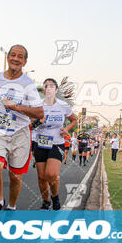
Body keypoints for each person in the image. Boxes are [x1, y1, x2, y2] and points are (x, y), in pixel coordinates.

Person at [0, 45, 44, 210]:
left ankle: (11, 206)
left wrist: (16, 107)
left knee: (15, 176)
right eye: (13, 55)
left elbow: (39, 112)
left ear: (24, 62)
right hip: (0, 130)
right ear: (8, 57)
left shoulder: (28, 84)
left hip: (20, 132)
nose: (16, 59)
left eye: (20, 57)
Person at [32, 78, 77, 210]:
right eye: (46, 86)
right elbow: (31, 124)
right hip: (40, 142)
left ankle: (55, 196)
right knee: (41, 177)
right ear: (44, 90)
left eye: (52, 86)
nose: (49, 88)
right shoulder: (38, 105)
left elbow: (74, 120)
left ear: (56, 90)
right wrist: (38, 122)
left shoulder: (63, 106)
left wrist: (66, 129)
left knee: (51, 174)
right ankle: (46, 201)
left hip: (57, 142)